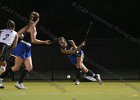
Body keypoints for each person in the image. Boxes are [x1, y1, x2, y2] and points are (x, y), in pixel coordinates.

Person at [0, 11, 51, 89]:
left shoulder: (29, 26)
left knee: (29, 67)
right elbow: (33, 40)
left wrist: (24, 36)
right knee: (16, 67)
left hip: (27, 47)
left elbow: (18, 33)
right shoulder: (32, 27)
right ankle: (1, 78)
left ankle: (19, 83)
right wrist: (44, 42)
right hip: (23, 47)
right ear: (37, 19)